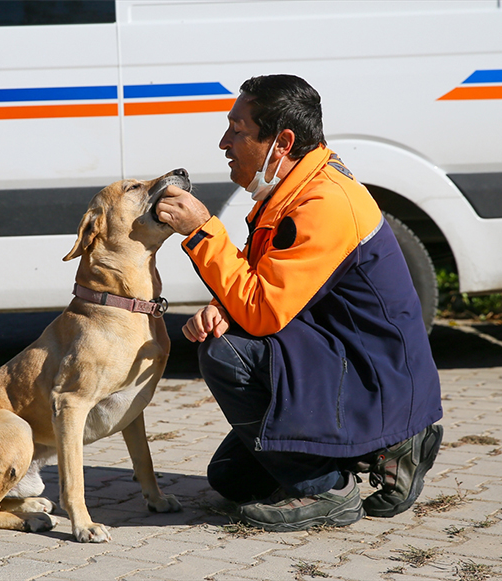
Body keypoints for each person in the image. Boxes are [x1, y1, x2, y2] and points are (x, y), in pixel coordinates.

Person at [155, 74, 443, 531]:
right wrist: (223, 307)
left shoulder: (325, 203)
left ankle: (333, 487)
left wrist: (200, 230)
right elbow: (268, 283)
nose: (224, 142)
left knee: (224, 352)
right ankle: (379, 447)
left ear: (282, 141)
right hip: (334, 358)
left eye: (238, 130)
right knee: (231, 478)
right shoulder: (293, 190)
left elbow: (264, 311)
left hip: (372, 380)